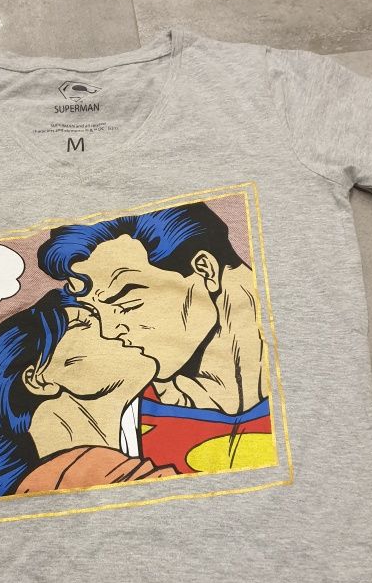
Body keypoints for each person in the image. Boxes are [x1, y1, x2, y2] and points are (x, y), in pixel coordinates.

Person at [37, 203, 276, 475]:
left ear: (205, 270)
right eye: (93, 312)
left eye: (124, 303)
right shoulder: (114, 414)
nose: (108, 332)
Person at [0, 289, 177, 497]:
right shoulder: (106, 474)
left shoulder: (94, 472)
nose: (118, 330)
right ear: (39, 379)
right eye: (84, 325)